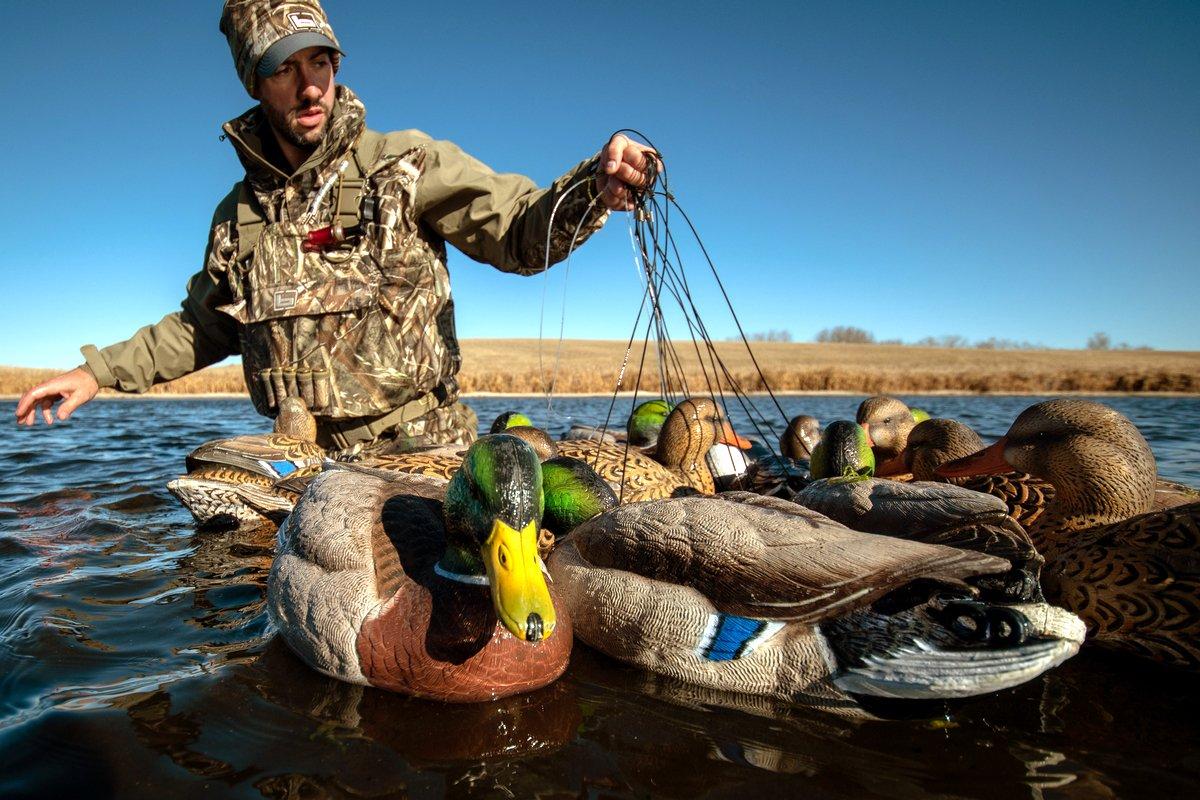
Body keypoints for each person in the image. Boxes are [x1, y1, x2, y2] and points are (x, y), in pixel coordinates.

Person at [15, 0, 656, 450]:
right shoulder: (238, 218)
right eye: (285, 68)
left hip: (424, 455)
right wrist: (96, 372)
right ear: (255, 82)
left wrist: (592, 187)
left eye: (320, 62)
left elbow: (519, 229)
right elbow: (200, 329)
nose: (310, 86)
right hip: (302, 467)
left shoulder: (402, 163)